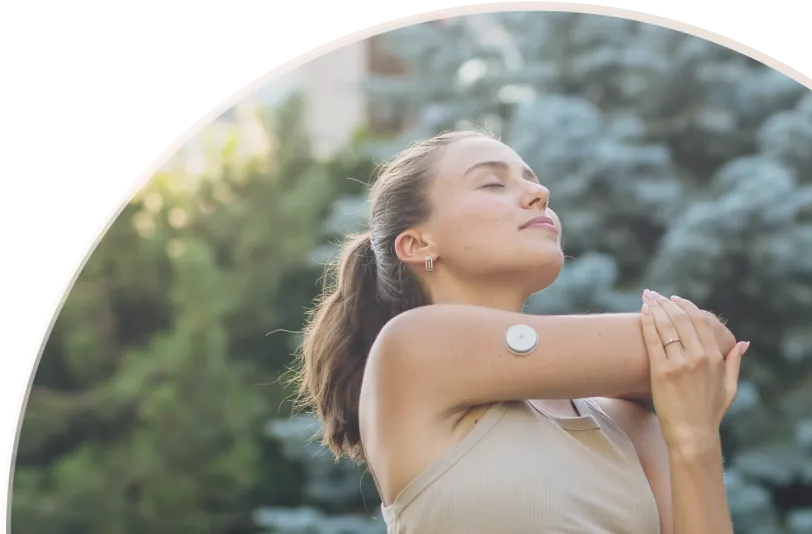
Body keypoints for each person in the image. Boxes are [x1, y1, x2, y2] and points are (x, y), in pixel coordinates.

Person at [293, 129, 750, 534]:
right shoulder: (413, 347)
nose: (539, 192)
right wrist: (662, 372)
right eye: (493, 182)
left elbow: (705, 346)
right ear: (418, 244)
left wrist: (694, 441)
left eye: (532, 179)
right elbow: (705, 339)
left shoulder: (624, 422)